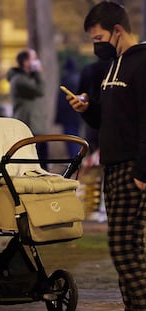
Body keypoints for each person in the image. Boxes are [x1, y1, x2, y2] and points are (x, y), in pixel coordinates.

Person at [66, 2, 146, 310]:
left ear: (118, 30)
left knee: (123, 248)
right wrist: (88, 110)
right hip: (112, 166)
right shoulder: (114, 64)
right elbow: (109, 119)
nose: (95, 46)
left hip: (132, 167)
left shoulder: (141, 63)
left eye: (98, 39)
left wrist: (142, 171)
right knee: (130, 247)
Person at [7, 48, 48, 166]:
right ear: (26, 62)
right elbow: (40, 90)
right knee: (36, 161)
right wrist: (38, 72)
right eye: (34, 59)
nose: (37, 62)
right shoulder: (19, 80)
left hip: (35, 123)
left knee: (41, 159)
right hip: (29, 125)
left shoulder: (28, 78)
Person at [55, 58, 81, 158]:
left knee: (70, 139)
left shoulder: (66, 79)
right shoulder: (78, 78)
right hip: (77, 114)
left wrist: (58, 117)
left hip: (67, 116)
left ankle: (74, 160)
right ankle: (77, 159)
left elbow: (61, 101)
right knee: (76, 138)